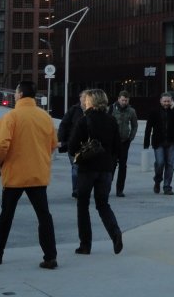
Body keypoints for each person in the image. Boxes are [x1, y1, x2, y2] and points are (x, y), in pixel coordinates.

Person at [0, 80, 58, 270]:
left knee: (6, 215)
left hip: (15, 174)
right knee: (44, 215)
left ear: (21, 94)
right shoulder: (45, 117)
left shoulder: (11, 117)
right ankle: (50, 256)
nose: (14, 95)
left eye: (16, 92)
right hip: (37, 173)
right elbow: (53, 144)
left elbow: (0, 145)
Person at [67, 89, 123, 255]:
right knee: (103, 204)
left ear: (90, 102)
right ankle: (115, 234)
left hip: (87, 168)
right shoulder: (112, 120)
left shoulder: (85, 120)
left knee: (83, 205)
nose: (84, 103)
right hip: (106, 169)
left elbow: (72, 146)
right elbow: (117, 148)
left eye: (86, 100)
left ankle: (85, 244)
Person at [143, 92, 174, 195]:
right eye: (164, 101)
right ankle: (157, 180)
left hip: (171, 142)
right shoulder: (154, 112)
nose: (166, 103)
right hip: (158, 142)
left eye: (168, 101)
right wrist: (146, 142)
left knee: (170, 164)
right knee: (160, 163)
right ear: (160, 101)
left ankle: (167, 186)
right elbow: (148, 128)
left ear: (171, 101)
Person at [110, 90, 138, 197]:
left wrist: (131, 137)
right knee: (111, 165)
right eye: (122, 100)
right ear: (118, 99)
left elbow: (135, 125)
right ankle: (107, 187)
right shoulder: (111, 109)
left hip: (125, 142)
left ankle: (120, 189)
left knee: (123, 166)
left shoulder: (131, 111)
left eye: (126, 100)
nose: (124, 102)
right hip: (113, 142)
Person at [57, 92, 85, 198]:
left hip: (87, 145)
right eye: (84, 97)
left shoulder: (92, 110)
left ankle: (82, 187)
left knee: (84, 168)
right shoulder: (73, 110)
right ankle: (76, 190)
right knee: (76, 166)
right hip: (73, 143)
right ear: (80, 98)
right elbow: (64, 124)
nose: (85, 99)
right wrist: (61, 140)